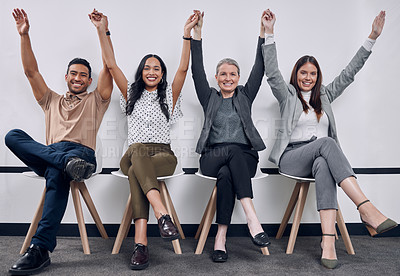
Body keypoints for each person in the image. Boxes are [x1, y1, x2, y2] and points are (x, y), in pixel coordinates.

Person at [261, 9, 397, 269]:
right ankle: (365, 207)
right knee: (327, 143)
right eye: (303, 72)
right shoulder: (286, 94)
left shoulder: (324, 95)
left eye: (312, 73)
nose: (308, 77)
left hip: (320, 158)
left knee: (324, 164)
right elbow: (271, 72)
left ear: (317, 76)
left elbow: (349, 73)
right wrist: (269, 33)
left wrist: (372, 37)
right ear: (296, 74)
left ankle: (328, 242)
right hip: (292, 157)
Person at [5, 8, 113, 275]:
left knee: (56, 173)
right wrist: (24, 35)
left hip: (82, 153)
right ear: (66, 77)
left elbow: (110, 67)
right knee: (12, 136)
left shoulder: (96, 99)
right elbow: (31, 72)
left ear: (89, 80)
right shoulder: (51, 99)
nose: (78, 78)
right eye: (73, 74)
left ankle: (39, 249)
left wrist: (102, 31)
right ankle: (66, 163)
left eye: (83, 75)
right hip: (55, 154)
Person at [89, 9, 198, 270]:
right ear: (141, 72)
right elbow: (111, 64)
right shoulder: (130, 94)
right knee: (137, 154)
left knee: (138, 175)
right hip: (133, 155)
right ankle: (162, 215)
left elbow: (184, 67)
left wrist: (187, 34)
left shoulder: (169, 96)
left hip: (163, 155)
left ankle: (141, 246)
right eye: (147, 68)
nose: (151, 71)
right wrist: (102, 30)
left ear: (162, 74)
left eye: (156, 68)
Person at [191, 10, 270, 263]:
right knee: (229, 154)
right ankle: (252, 217)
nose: (228, 78)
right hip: (212, 156)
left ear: (238, 78)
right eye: (223, 74)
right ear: (217, 78)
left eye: (232, 74)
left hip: (244, 158)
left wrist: (264, 32)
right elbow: (196, 70)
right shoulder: (209, 97)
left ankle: (220, 239)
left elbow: (260, 66)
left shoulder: (246, 96)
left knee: (227, 175)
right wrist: (198, 33)